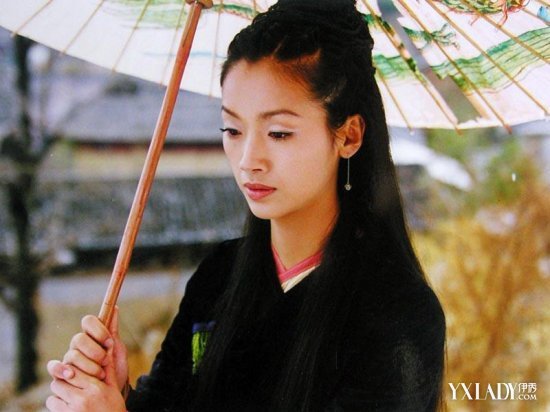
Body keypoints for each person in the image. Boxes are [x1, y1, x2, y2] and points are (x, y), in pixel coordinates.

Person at [46, 0, 446, 410]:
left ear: (348, 135)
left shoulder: (400, 313)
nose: (248, 160)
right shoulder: (218, 276)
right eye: (233, 130)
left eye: (278, 133)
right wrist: (119, 394)